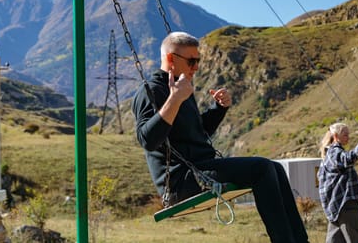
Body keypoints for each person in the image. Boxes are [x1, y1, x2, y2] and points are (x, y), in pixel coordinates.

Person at [132, 31, 309, 243]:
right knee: (261, 168)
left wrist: (218, 109)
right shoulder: (150, 91)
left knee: (276, 168)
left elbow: (197, 134)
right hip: (181, 181)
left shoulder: (182, 88)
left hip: (202, 167)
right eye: (191, 61)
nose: (196, 67)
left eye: (198, 60)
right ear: (170, 59)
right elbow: (148, 140)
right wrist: (175, 99)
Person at [317, 121, 358, 243]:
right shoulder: (334, 152)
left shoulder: (329, 154)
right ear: (336, 136)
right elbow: (348, 158)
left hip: (336, 207)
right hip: (346, 204)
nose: (348, 138)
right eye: (345, 135)